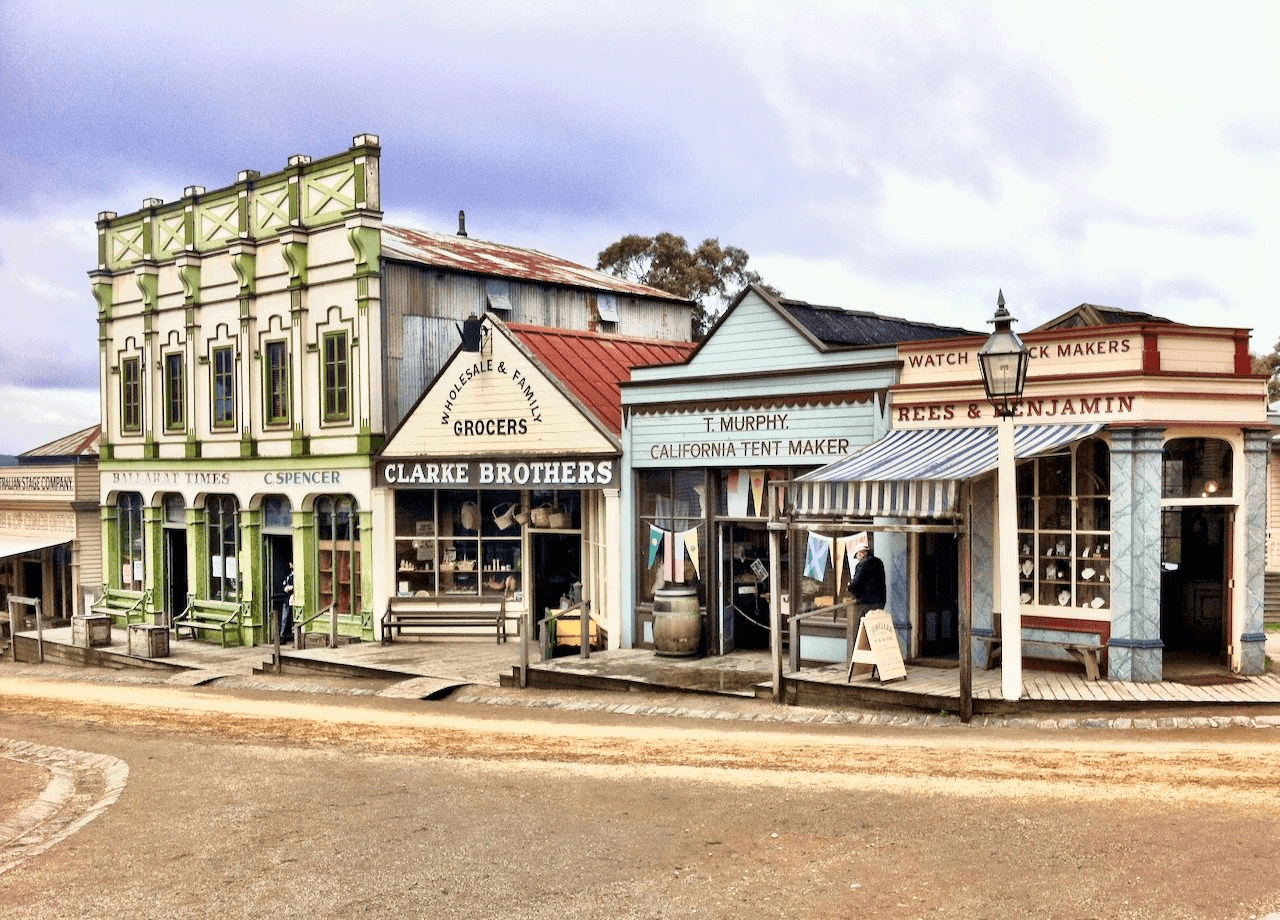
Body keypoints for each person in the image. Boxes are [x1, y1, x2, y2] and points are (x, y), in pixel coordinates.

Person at [847, 540, 886, 645]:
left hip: (866, 602)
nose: (858, 559)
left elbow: (857, 583)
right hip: (880, 601)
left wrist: (849, 588)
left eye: (858, 556)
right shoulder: (879, 562)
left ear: (861, 553)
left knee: (862, 629)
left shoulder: (862, 565)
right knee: (876, 628)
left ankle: (862, 651)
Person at [280, 563, 295, 644]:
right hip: (287, 599)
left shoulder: (296, 575)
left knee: (294, 618)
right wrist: (286, 588)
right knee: (284, 618)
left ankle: (295, 636)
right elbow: (283, 585)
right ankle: (282, 636)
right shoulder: (288, 575)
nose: (291, 565)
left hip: (295, 599)